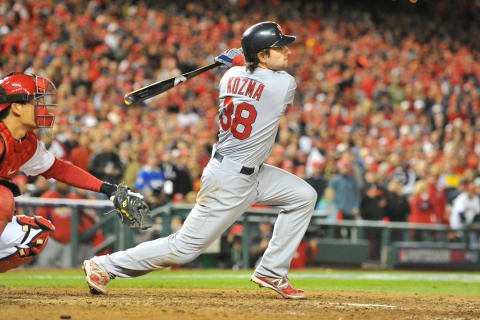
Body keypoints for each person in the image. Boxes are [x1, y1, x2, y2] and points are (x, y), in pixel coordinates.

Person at [83, 21, 317, 299]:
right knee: (183, 248)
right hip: (230, 178)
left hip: (251, 171)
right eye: (279, 48)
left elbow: (246, 68)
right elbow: (259, 74)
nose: (287, 52)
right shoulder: (282, 83)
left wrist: (241, 60)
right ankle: (104, 265)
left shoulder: (229, 76)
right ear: (262, 55)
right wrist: (242, 58)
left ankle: (272, 271)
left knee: (303, 195)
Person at [0, 72, 126, 273]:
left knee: (34, 236)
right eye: (35, 101)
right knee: (3, 198)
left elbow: (60, 169)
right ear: (16, 107)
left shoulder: (27, 143)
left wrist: (107, 188)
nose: (42, 107)